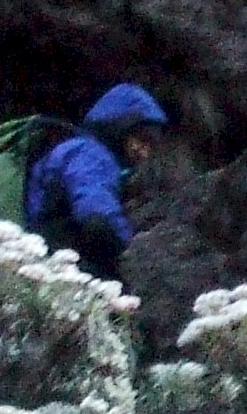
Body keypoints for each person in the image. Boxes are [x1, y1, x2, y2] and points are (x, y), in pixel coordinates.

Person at [26, 83, 167, 272]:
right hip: (59, 262)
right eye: (142, 139)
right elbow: (96, 216)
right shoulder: (91, 154)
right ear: (121, 127)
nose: (144, 153)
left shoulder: (81, 149)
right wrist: (133, 251)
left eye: (151, 145)